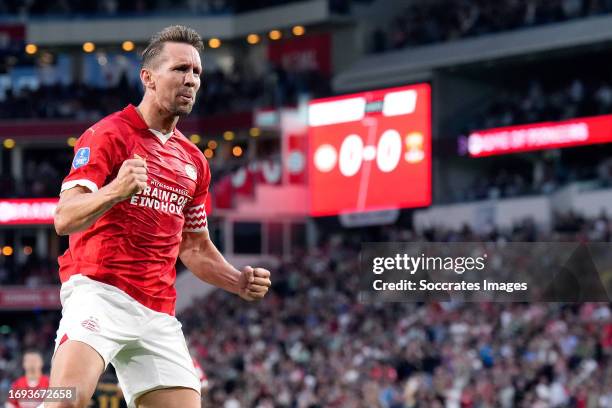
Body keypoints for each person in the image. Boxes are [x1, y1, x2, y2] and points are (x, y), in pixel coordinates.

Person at [48, 25, 271, 408]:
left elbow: (196, 248)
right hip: (100, 293)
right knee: (65, 400)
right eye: (180, 69)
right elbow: (64, 219)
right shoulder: (107, 135)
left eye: (197, 72)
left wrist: (236, 280)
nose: (191, 80)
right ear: (148, 78)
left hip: (157, 312)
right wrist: (115, 191)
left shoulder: (195, 162)